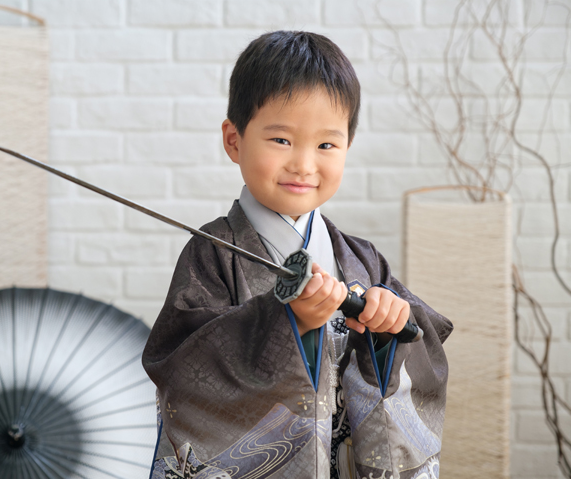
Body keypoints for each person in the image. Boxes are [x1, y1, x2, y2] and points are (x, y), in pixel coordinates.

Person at [142, 30, 452, 479]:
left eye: (326, 145)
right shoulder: (212, 254)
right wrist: (288, 322)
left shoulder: (362, 259)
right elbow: (184, 374)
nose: (304, 164)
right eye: (282, 141)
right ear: (234, 140)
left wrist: (390, 329)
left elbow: (420, 350)